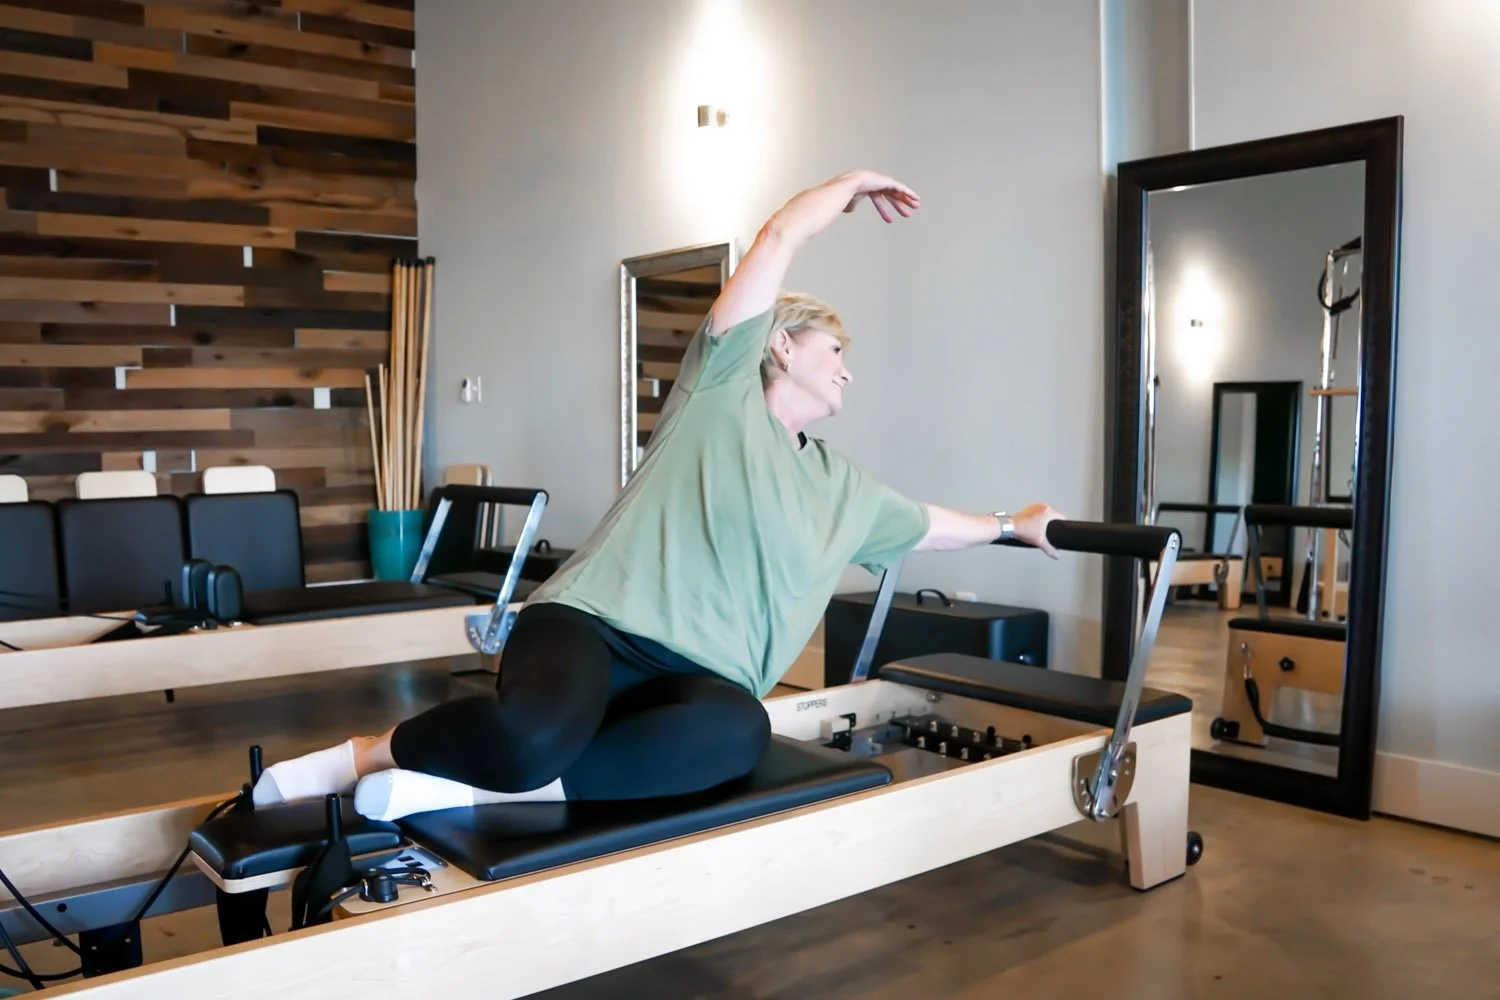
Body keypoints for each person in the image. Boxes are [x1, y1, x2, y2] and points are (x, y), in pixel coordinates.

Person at [252, 169, 1065, 821]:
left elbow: (929, 528)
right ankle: (365, 757)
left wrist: (1013, 525)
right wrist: (843, 188)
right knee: (530, 738)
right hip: (592, 628)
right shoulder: (720, 396)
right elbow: (778, 238)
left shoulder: (840, 484)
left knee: (741, 730)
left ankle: (471, 789)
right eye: (835, 348)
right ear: (781, 345)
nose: (849, 366)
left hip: (699, 681)